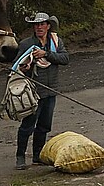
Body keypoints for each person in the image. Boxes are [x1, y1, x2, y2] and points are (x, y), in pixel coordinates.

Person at [15, 12, 70, 169]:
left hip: (51, 90)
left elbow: (65, 58)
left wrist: (46, 54)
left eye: (42, 24)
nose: (39, 27)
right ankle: (20, 156)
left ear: (48, 26)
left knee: (44, 125)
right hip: (33, 91)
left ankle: (37, 156)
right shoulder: (26, 44)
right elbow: (17, 66)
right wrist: (27, 66)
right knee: (28, 125)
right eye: (36, 25)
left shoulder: (56, 41)